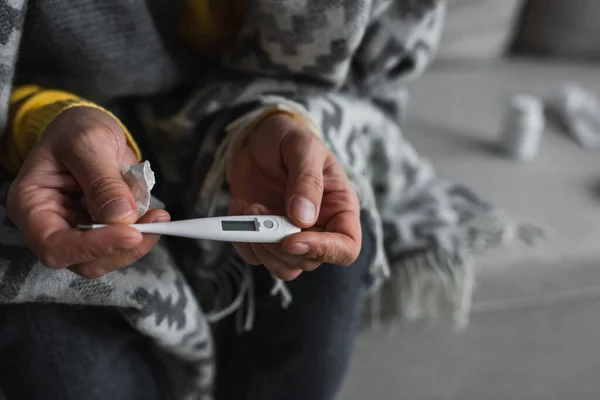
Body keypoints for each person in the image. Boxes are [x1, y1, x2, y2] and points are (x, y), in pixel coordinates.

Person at [0, 1, 509, 399]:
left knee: (325, 263)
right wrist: (46, 119)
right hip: (51, 163)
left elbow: (369, 80)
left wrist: (276, 122)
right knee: (55, 348)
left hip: (257, 150)